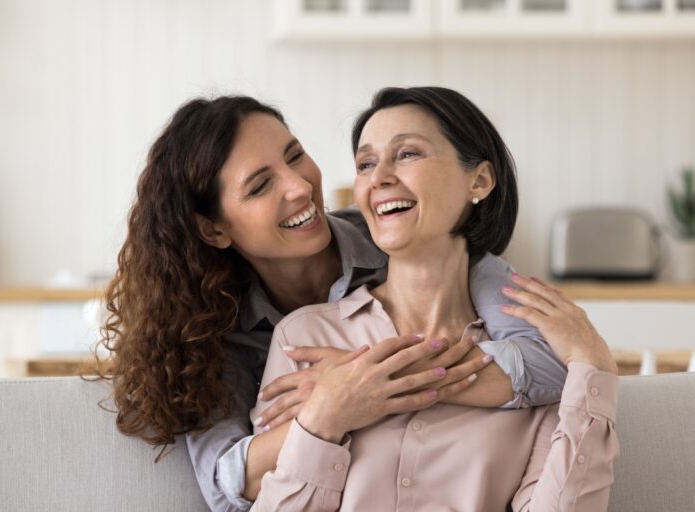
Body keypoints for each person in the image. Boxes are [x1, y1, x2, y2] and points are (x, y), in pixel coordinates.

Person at [96, 95, 568, 511]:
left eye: (295, 156)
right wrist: (333, 404)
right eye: (260, 186)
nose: (300, 187)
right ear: (214, 230)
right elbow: (228, 482)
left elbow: (552, 364)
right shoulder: (212, 328)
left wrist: (372, 379)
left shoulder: (405, 236)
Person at [249, 86, 620, 511]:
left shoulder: (542, 358)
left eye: (407, 154)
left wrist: (595, 364)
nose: (380, 177)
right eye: (366, 163)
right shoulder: (305, 337)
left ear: (478, 180)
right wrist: (326, 415)